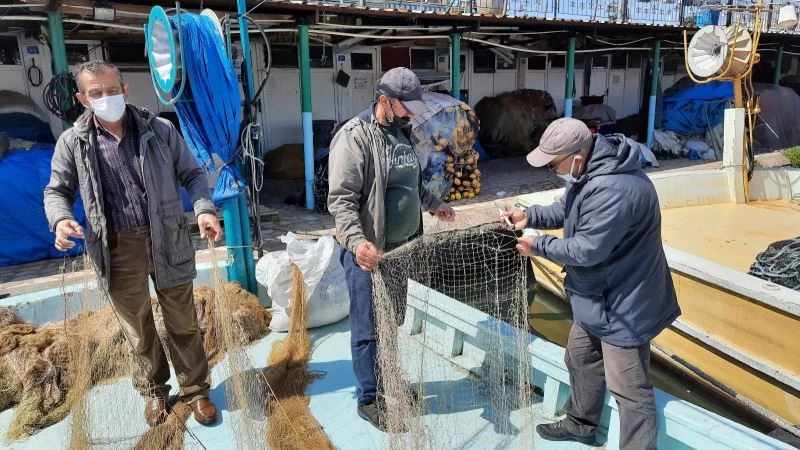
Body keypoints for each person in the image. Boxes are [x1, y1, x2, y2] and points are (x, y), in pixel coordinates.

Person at [43, 61, 222, 427]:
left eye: (112, 90)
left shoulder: (159, 130)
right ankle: (154, 391)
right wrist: (60, 219)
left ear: (125, 90)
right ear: (82, 99)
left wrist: (203, 209)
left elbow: (192, 174)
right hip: (116, 248)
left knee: (183, 321)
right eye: (96, 93)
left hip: (168, 238)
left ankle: (195, 390)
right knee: (137, 329)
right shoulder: (73, 142)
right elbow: (57, 191)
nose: (106, 98)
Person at [507, 118, 680, 449]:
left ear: (576, 157)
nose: (552, 170)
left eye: (553, 164)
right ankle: (580, 424)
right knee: (579, 356)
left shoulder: (614, 189)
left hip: (624, 303)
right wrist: (531, 217)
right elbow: (568, 208)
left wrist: (537, 245)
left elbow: (587, 250)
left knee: (629, 388)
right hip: (596, 296)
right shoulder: (589, 171)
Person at [328, 67, 455, 430]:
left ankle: (388, 381)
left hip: (401, 252)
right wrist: (357, 244)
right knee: (367, 328)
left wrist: (434, 204)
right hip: (369, 256)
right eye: (406, 106)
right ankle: (369, 398)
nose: (412, 114)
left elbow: (410, 183)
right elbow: (341, 201)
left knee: (391, 321)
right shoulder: (354, 137)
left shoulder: (403, 132)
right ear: (384, 100)